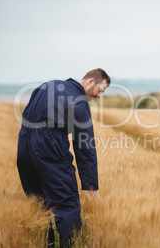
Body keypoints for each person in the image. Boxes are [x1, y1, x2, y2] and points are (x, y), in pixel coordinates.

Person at [17, 68, 110, 247]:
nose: (99, 96)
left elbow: (27, 114)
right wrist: (90, 183)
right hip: (50, 148)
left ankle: (45, 243)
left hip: (24, 146)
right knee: (67, 204)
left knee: (38, 201)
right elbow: (84, 143)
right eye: (100, 90)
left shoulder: (47, 85)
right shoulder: (80, 102)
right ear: (91, 81)